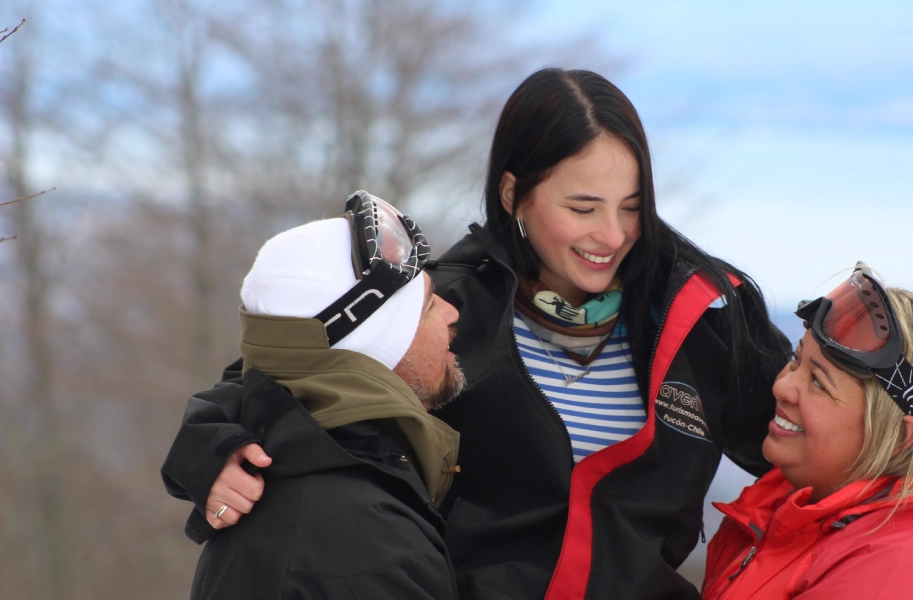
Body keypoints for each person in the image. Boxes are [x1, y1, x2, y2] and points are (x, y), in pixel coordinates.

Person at [161, 68, 793, 600]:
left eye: (631, 206)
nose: (613, 235)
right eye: (582, 208)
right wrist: (212, 450)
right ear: (514, 194)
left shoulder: (703, 318)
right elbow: (284, 374)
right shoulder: (447, 306)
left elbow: (818, 437)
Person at [167, 192, 465, 599]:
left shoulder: (332, 474)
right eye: (429, 305)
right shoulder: (363, 542)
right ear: (379, 349)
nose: (453, 312)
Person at [702, 264, 913, 599]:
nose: (782, 386)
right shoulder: (788, 506)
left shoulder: (894, 572)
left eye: (818, 382)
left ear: (898, 440)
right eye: (795, 360)